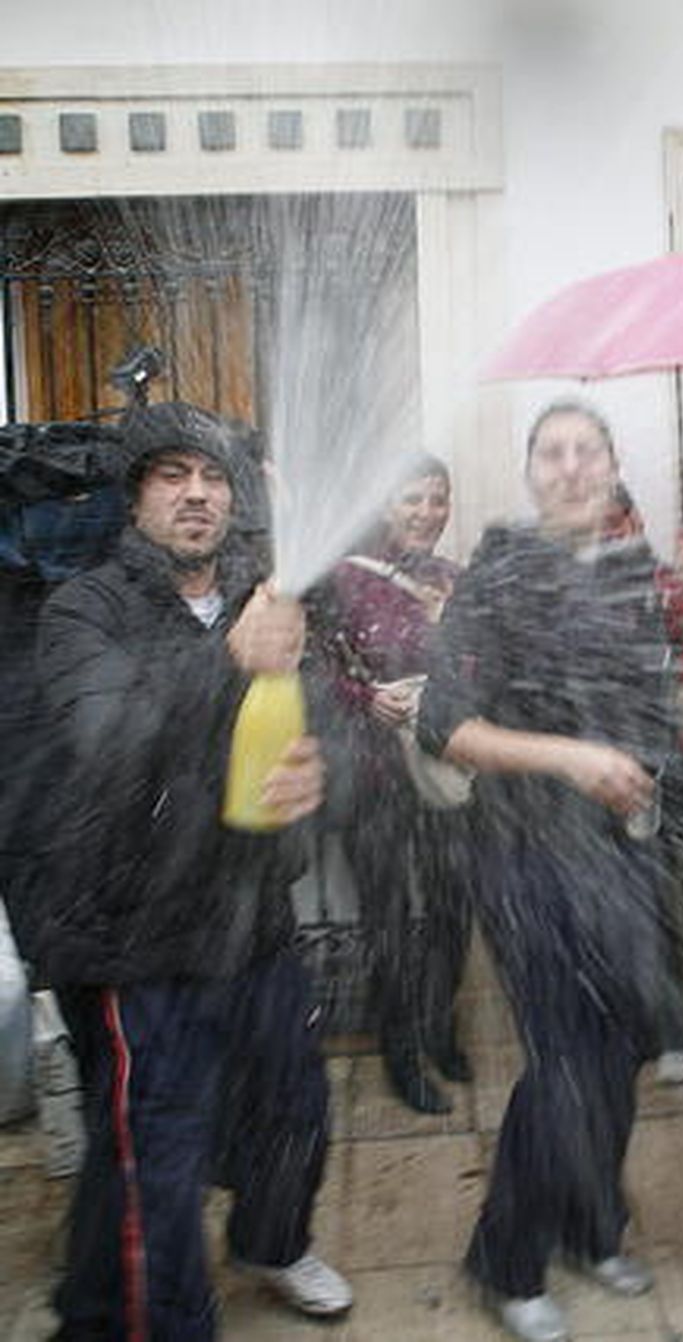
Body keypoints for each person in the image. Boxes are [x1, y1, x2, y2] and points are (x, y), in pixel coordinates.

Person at [20, 401, 351, 1339]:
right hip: (137, 932)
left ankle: (272, 1239)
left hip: (252, 911)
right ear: (136, 501)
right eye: (173, 476)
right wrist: (226, 658)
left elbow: (324, 718)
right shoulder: (85, 606)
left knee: (293, 1102)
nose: (198, 493)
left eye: (211, 476)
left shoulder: (269, 598)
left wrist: (322, 771)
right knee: (154, 1154)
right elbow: (107, 732)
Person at [418, 401, 671, 1342]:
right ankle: (507, 1257)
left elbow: (651, 702)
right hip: (521, 854)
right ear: (530, 475)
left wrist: (661, 757)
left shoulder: (635, 571)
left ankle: (588, 1224)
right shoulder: (498, 573)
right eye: (551, 454)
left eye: (586, 451)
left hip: (619, 849)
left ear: (612, 468)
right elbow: (444, 724)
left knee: (621, 1048)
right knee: (565, 1059)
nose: (569, 468)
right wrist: (571, 758)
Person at [317, 456, 472, 1113]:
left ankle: (439, 1026)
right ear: (386, 507)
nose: (427, 512)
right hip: (372, 770)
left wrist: (448, 636)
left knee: (453, 906)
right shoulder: (345, 579)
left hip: (440, 766)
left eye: (438, 499)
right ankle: (400, 1052)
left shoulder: (455, 579)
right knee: (385, 916)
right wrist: (362, 697)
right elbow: (312, 668)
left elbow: (478, 667)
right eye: (413, 499)